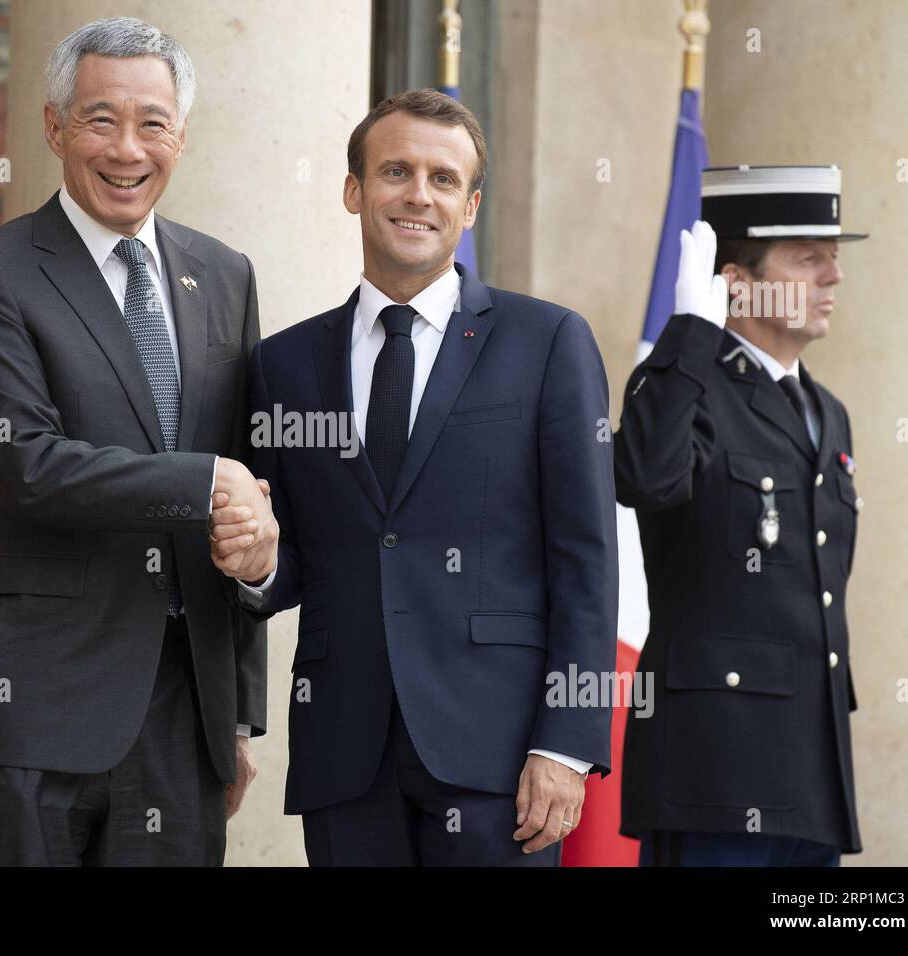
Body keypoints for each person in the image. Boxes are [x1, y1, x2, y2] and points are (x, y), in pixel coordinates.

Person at [210, 89, 618, 866]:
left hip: (503, 760)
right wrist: (258, 563)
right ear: (354, 189)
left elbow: (588, 563)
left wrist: (566, 746)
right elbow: (286, 557)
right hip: (344, 751)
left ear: (469, 206)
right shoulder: (284, 364)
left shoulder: (548, 343)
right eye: (396, 171)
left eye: (442, 178)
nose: (417, 194)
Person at [0, 16, 274, 866]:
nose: (128, 148)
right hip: (31, 712)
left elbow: (247, 485)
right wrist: (205, 485)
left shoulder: (224, 275)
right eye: (99, 119)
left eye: (152, 123)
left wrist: (233, 711)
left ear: (180, 136)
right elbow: (30, 466)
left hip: (180, 720)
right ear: (53, 128)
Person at [615, 165, 867, 866]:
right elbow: (642, 476)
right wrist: (693, 333)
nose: (833, 277)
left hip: (811, 774)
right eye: (808, 257)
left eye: (835, 257)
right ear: (739, 279)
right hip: (714, 772)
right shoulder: (685, 383)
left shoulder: (827, 412)